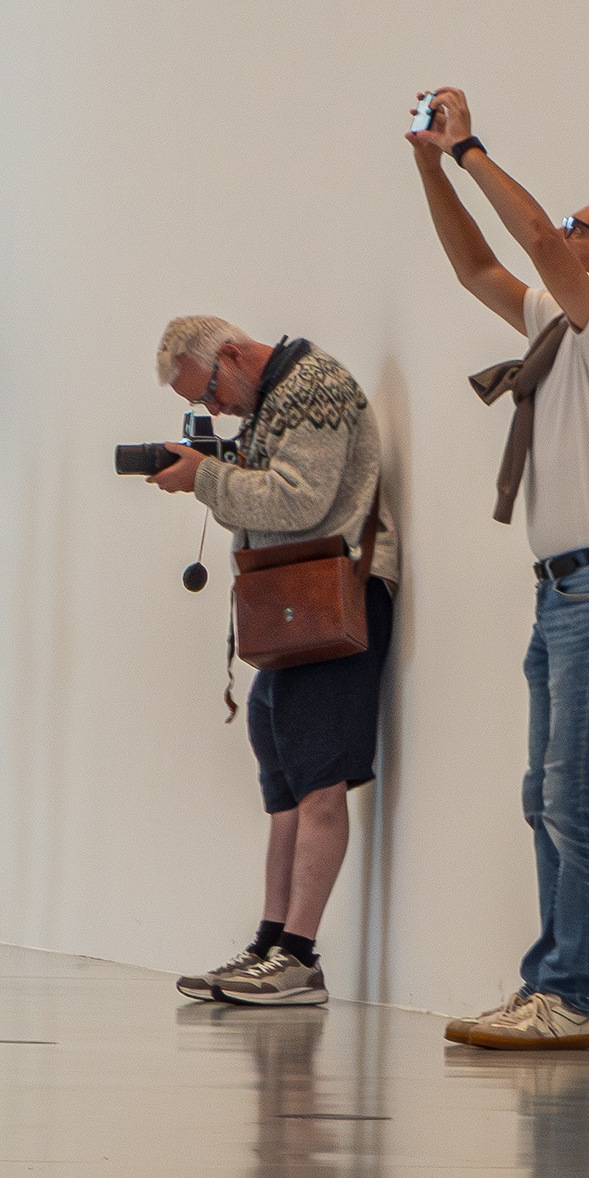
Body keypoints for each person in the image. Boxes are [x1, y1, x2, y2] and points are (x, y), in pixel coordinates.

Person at [408, 87, 589, 1050]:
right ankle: (546, 987)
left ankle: (567, 997)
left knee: (572, 798)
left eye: (576, 230)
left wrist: (469, 147)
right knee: (545, 797)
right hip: (563, 592)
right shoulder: (557, 328)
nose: (558, 235)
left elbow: (522, 236)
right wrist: (429, 169)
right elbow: (474, 263)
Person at [153, 315, 399, 1007]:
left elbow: (299, 500)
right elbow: (261, 508)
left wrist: (207, 477)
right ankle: (269, 943)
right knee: (285, 780)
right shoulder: (269, 403)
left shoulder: (314, 387)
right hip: (296, 599)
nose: (214, 408)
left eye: (209, 391)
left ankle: (299, 957)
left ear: (231, 354)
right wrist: (214, 474)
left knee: (319, 779)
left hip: (335, 596)